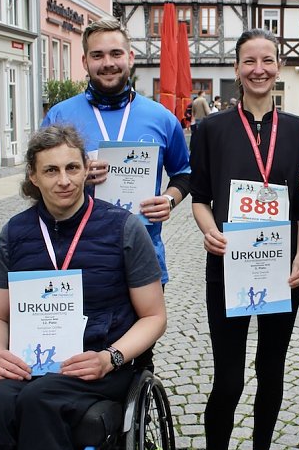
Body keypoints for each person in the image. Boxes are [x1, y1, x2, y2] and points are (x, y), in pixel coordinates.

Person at [0, 124, 167, 450]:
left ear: (86, 170)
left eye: (72, 168)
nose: (64, 180)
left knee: (40, 398)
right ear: (33, 177)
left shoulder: (124, 228)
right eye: (51, 170)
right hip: (33, 364)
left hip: (100, 367)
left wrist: (109, 358)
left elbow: (154, 316)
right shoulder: (15, 234)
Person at [191, 29, 299, 450]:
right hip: (229, 267)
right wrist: (210, 231)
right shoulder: (211, 129)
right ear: (237, 68)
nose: (258, 69)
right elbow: (199, 197)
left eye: (267, 60)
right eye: (249, 61)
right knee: (228, 377)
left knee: (271, 368)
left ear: (278, 66)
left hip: (282, 269)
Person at [43, 19, 190, 288]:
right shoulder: (59, 116)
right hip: (78, 257)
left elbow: (184, 173)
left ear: (130, 58)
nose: (108, 63)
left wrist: (169, 200)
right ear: (85, 61)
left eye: (116, 53)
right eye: (97, 55)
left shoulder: (161, 117)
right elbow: (39, 179)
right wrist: (76, 175)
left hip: (143, 257)